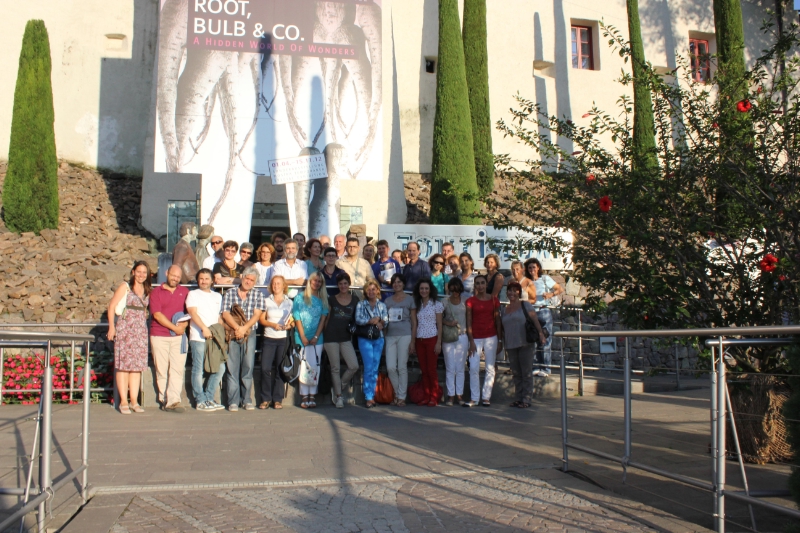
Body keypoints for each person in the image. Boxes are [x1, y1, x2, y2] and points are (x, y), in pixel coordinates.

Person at [107, 260, 152, 414]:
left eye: (144, 272)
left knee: (136, 367)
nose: (141, 275)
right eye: (139, 271)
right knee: (123, 366)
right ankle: (123, 401)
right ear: (133, 272)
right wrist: (112, 327)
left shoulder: (147, 289)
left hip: (140, 330)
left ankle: (134, 401)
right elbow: (112, 306)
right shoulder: (125, 287)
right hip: (126, 328)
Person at [221, 267, 265, 411]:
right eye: (247, 278)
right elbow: (225, 313)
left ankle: (246, 400)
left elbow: (257, 315)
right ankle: (233, 401)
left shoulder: (258, 294)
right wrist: (237, 328)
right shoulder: (230, 292)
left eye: (252, 280)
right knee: (232, 367)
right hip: (232, 333)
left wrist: (244, 329)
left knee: (248, 366)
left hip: (249, 333)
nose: (249, 282)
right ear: (242, 277)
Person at [149, 264, 190, 412]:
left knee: (177, 369)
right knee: (162, 369)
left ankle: (174, 400)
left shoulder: (185, 292)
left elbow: (189, 312)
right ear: (167, 273)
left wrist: (183, 326)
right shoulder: (156, 292)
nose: (175, 279)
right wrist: (174, 328)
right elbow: (157, 315)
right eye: (173, 275)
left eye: (178, 277)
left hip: (178, 337)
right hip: (159, 335)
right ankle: (164, 399)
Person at [501, 281, 546, 408]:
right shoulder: (504, 310)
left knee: (526, 372)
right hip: (511, 344)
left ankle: (526, 399)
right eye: (510, 290)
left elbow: (535, 320)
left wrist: (541, 333)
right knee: (516, 373)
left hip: (525, 342)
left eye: (515, 290)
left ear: (519, 293)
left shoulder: (525, 305)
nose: (512, 293)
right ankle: (518, 398)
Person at [185, 268, 225, 412]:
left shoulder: (217, 296)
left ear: (212, 280)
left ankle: (209, 397)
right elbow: (192, 313)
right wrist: (203, 328)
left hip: (215, 338)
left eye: (207, 279)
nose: (204, 281)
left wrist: (222, 333)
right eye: (201, 278)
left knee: (220, 367)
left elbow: (219, 316)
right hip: (198, 337)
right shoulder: (193, 294)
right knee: (198, 369)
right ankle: (200, 400)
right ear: (197, 280)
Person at [323, 272, 360, 409]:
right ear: (337, 285)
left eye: (345, 283)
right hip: (331, 336)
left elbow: (358, 317)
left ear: (349, 284)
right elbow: (326, 319)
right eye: (340, 284)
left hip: (345, 337)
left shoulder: (355, 299)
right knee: (335, 368)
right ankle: (339, 396)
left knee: (353, 365)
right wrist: (323, 337)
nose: (343, 286)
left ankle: (338, 387)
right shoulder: (332, 299)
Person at [293, 272, 329, 408]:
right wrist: (302, 336)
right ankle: (304, 396)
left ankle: (312, 395)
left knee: (314, 366)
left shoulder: (323, 299)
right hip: (301, 336)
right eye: (315, 280)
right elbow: (297, 317)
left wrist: (316, 336)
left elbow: (323, 319)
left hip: (317, 338)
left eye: (319, 281)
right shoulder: (299, 297)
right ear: (310, 281)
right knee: (303, 366)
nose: (317, 283)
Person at [258, 275, 294, 410]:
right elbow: (261, 319)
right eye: (274, 283)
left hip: (283, 338)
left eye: (279, 283)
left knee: (280, 369)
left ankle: (277, 399)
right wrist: (273, 325)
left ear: (284, 286)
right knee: (265, 368)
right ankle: (265, 398)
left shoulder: (289, 302)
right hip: (269, 337)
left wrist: (289, 326)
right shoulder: (266, 301)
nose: (276, 286)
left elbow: (293, 321)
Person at [466, 275, 501, 407]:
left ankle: (486, 397)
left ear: (486, 285)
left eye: (482, 283)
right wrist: (471, 340)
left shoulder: (493, 300)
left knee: (490, 368)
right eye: (477, 283)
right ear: (475, 286)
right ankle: (474, 397)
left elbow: (497, 320)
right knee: (473, 367)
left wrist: (500, 339)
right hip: (475, 337)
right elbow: (469, 321)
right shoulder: (470, 301)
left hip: (491, 336)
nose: (480, 286)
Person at [525, 258, 564, 377]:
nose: (532, 270)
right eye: (529, 267)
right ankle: (536, 366)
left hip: (543, 310)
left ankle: (546, 368)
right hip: (531, 311)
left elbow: (559, 289)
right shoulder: (526, 281)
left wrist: (550, 294)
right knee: (534, 340)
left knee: (545, 340)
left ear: (538, 268)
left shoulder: (545, 279)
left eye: (534, 267)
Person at [354, 279, 389, 408]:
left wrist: (380, 321)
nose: (371, 292)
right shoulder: (361, 304)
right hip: (365, 338)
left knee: (375, 367)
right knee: (368, 367)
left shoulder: (382, 305)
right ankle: (368, 396)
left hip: (379, 338)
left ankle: (372, 395)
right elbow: (358, 319)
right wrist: (371, 320)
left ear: (378, 291)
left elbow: (386, 320)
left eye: (373, 289)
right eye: (369, 290)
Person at [384, 273, 416, 406]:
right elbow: (385, 322)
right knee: (391, 367)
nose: (397, 284)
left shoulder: (410, 299)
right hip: (390, 336)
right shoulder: (387, 301)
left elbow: (414, 322)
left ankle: (401, 397)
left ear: (403, 284)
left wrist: (413, 341)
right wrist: (384, 337)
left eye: (399, 282)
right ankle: (398, 394)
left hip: (405, 335)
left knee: (402, 366)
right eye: (394, 282)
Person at [411, 278, 443, 406]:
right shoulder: (417, 304)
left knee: (431, 370)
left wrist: (438, 342)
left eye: (426, 288)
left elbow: (439, 324)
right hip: (420, 339)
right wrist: (413, 341)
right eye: (421, 288)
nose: (424, 291)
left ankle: (434, 396)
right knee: (423, 370)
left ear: (430, 290)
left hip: (432, 338)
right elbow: (415, 323)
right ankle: (426, 395)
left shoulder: (436, 304)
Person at [442, 277, 469, 407]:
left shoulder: (465, 301)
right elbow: (438, 318)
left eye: (457, 290)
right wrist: (449, 323)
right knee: (450, 367)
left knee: (460, 367)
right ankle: (451, 395)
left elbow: (470, 318)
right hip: (448, 336)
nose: (455, 293)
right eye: (452, 290)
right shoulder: (444, 301)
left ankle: (459, 394)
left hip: (462, 335)